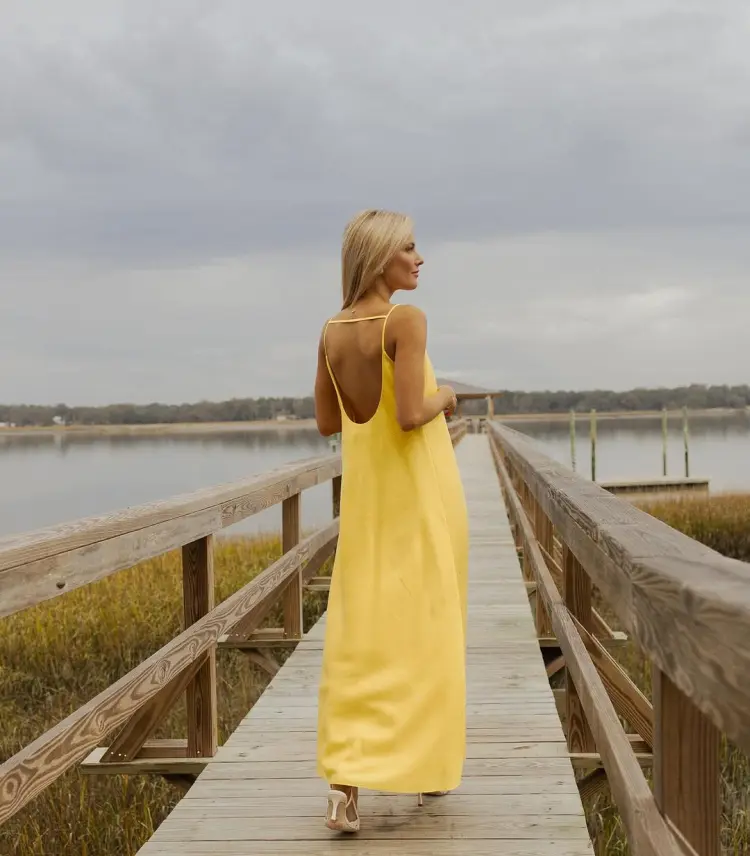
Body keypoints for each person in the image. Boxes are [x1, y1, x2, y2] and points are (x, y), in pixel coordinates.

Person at [314, 209, 469, 833]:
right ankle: (426, 769)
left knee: (362, 638)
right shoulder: (405, 321)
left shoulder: (330, 329)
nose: (419, 257)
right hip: (419, 501)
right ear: (380, 257)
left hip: (366, 511)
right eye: (409, 248)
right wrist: (448, 395)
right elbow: (410, 413)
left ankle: (344, 788)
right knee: (427, 629)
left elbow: (329, 423)